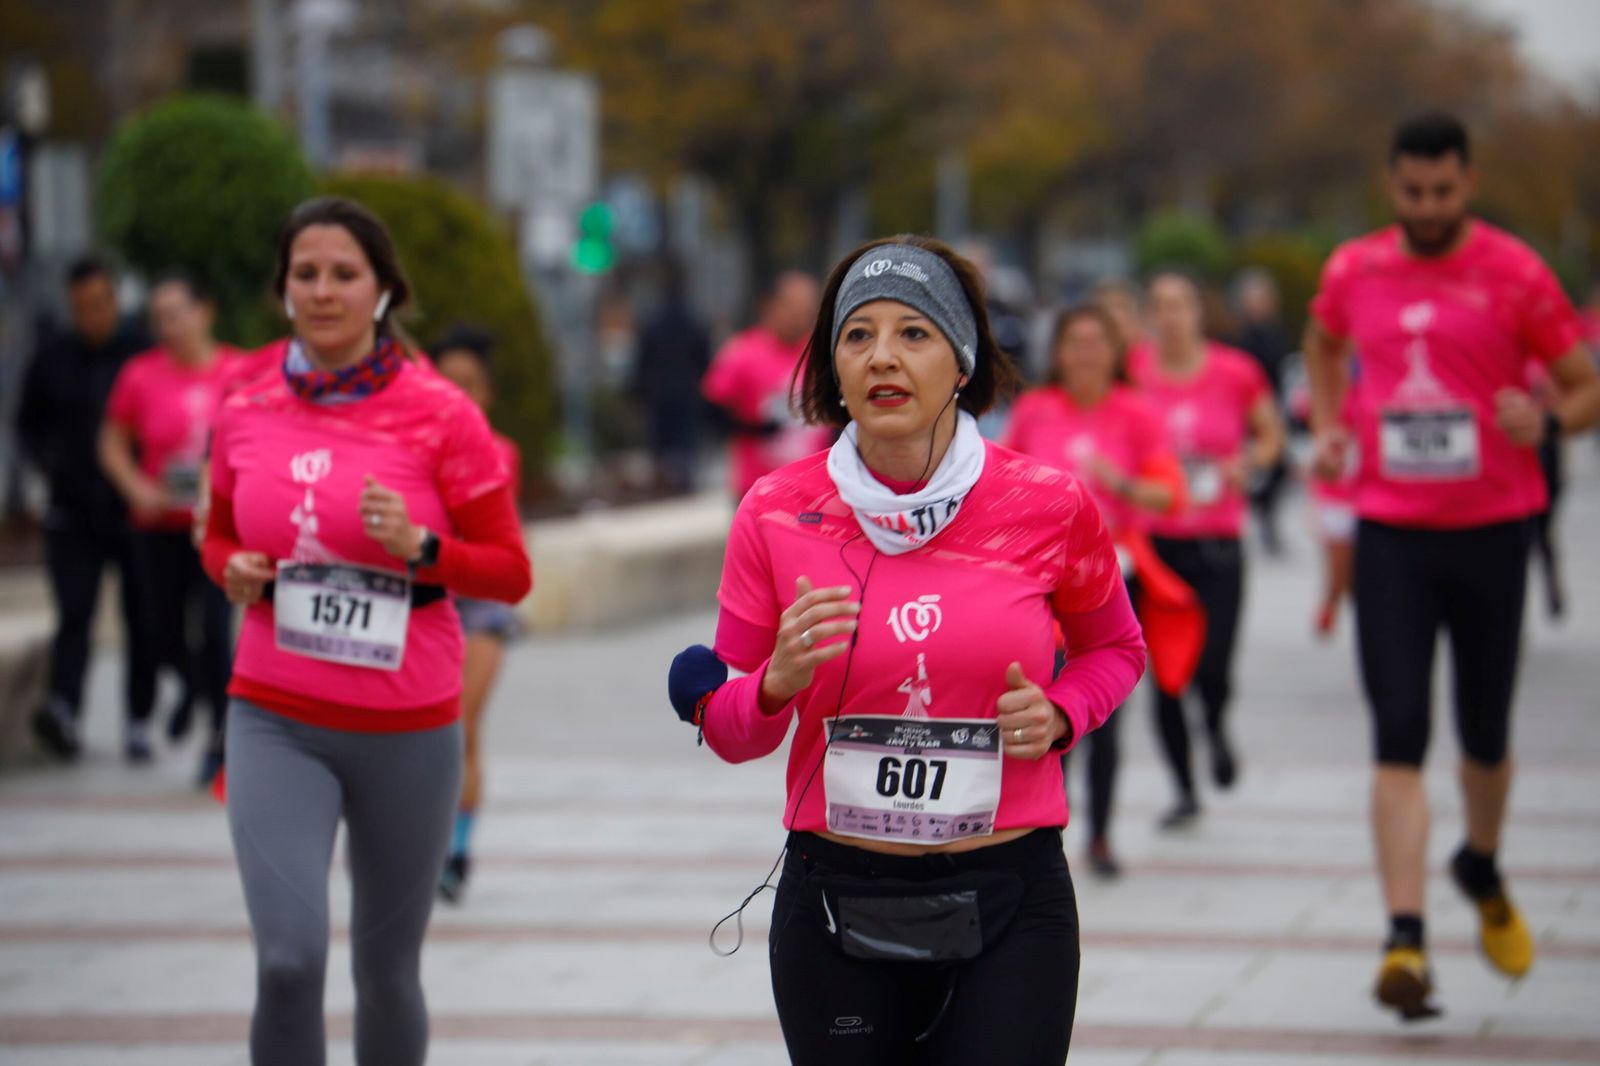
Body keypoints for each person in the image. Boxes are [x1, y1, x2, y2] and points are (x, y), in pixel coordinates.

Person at [670, 237, 1146, 1063]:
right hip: (836, 904)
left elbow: (1117, 649)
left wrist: (1063, 713)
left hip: (1010, 899)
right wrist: (776, 682)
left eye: (914, 333)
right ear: (833, 366)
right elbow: (733, 731)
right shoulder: (778, 512)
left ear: (962, 362)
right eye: (857, 335)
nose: (882, 357)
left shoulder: (1048, 505)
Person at [201, 197, 532, 1065]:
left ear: (383, 289)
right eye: (305, 274)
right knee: (286, 961)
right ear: (281, 291)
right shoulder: (244, 402)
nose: (323, 291)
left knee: (386, 971)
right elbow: (220, 530)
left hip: (409, 725)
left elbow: (509, 570)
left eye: (344, 273)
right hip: (275, 715)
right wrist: (227, 566)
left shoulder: (441, 413)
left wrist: (420, 547)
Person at [1304, 113, 1600, 1023]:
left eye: (1441, 192)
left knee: (1483, 735)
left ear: (1468, 183)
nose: (1426, 207)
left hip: (1492, 532)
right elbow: (1323, 343)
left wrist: (1546, 422)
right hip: (1392, 533)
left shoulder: (1516, 272)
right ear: (1392, 187)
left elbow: (1587, 385)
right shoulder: (1354, 269)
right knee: (1398, 732)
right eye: (1410, 193)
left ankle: (1480, 859)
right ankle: (1406, 937)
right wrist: (1328, 423)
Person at [1002, 304, 1190, 877]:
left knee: (1102, 711)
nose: (1084, 354)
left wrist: (1120, 484)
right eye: (1074, 343)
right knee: (1044, 705)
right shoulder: (1034, 412)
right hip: (1040, 585)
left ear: (1116, 354)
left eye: (1096, 343)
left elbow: (1171, 498)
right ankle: (1043, 824)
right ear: (1056, 352)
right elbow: (997, 485)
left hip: (1111, 581)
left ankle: (1102, 836)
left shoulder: (1136, 414)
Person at [1130, 270, 1284, 828]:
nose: (1169, 315)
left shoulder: (1235, 372)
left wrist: (1251, 462)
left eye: (1179, 304)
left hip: (1218, 542)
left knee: (1212, 668)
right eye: (1159, 304)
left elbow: (1272, 434)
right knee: (1166, 675)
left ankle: (1215, 725)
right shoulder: (1135, 372)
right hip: (1156, 544)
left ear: (1199, 311)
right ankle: (1184, 789)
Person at [100, 272, 242, 781]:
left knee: (215, 630)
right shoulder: (140, 375)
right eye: (158, 318)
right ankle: (195, 688)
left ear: (205, 311)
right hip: (158, 525)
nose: (167, 326)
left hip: (218, 528)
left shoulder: (239, 371)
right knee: (160, 634)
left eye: (177, 313)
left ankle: (220, 743)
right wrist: (136, 486)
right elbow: (112, 443)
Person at [17, 256, 155, 760]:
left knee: (141, 615)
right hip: (71, 510)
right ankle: (65, 711)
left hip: (135, 509)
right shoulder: (52, 354)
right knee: (74, 613)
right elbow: (27, 424)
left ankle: (139, 719)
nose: (91, 316)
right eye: (81, 307)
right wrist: (48, 466)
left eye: (99, 304)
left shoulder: (143, 354)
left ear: (116, 299)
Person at [428, 325, 525, 903]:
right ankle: (422, 843)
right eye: (446, 382)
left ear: (486, 395)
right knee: (423, 732)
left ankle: (456, 851)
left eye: (469, 384)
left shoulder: (499, 453)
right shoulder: (403, 448)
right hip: (424, 599)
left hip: (481, 605)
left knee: (461, 727)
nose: (457, 394)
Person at [701, 270, 832, 498]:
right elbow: (711, 411)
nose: (803, 313)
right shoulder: (742, 352)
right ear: (770, 304)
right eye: (794, 304)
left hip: (816, 487)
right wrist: (756, 429)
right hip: (758, 489)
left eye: (809, 305)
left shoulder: (823, 353)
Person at [633, 262, 712, 495]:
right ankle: (684, 478)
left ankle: (662, 479)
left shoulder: (652, 322)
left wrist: (639, 389)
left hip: (660, 391)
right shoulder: (694, 322)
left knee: (661, 439)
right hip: (687, 390)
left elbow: (643, 358)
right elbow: (704, 358)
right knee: (686, 439)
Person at [1232, 268, 1293, 556]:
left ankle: (1266, 519)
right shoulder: (1243, 335)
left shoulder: (1275, 333)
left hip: (1269, 409)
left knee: (1277, 470)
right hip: (1249, 412)